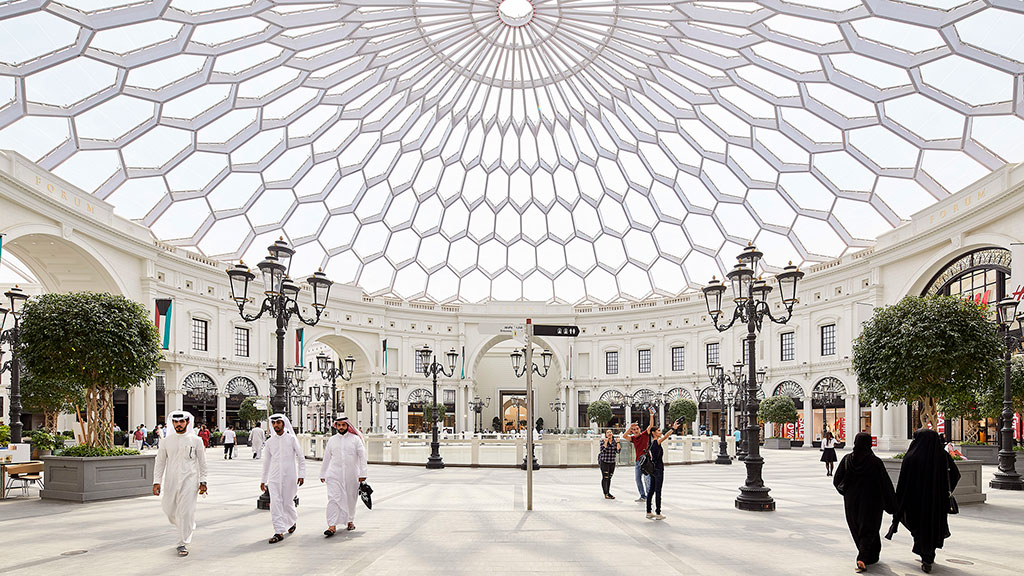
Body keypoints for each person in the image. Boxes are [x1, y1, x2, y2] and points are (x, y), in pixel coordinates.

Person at [886, 429, 960, 574]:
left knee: (919, 528)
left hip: (915, 502)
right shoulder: (942, 456)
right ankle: (928, 555)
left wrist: (899, 501)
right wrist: (943, 490)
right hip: (936, 502)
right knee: (932, 527)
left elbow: (903, 481)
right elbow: (955, 474)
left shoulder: (912, 456)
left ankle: (925, 555)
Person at [834, 432, 896, 572]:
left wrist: (847, 493)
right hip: (872, 502)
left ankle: (870, 555)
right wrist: (892, 503)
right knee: (870, 528)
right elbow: (885, 483)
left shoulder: (847, 459)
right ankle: (862, 556)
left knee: (857, 527)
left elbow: (837, 480)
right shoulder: (875, 462)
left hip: (852, 502)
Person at [153, 411, 208, 557]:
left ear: (187, 422)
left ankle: (182, 542)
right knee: (169, 510)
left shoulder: (196, 440)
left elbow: (202, 463)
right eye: (176, 422)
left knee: (185, 512)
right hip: (171, 481)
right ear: (172, 423)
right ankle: (188, 524)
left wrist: (203, 481)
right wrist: (156, 481)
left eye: (181, 422)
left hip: (190, 481)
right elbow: (160, 462)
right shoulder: (166, 441)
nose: (179, 424)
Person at [320, 416, 368, 537]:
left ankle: (350, 520)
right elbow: (326, 458)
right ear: (336, 426)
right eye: (339, 425)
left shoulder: (355, 440)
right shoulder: (332, 440)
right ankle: (332, 525)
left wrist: (363, 473)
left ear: (347, 426)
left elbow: (362, 457)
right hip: (334, 474)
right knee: (333, 498)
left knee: (350, 498)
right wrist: (323, 473)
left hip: (352, 474)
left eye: (343, 425)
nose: (341, 427)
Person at [262, 413, 305, 544]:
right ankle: (278, 531)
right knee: (275, 504)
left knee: (287, 502)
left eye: (278, 423)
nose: (276, 425)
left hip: (290, 476)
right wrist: (263, 480)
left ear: (283, 423)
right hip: (274, 477)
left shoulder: (291, 439)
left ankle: (291, 521)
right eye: (274, 423)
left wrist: (302, 474)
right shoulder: (269, 442)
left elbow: (301, 458)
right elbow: (266, 462)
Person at [646, 418, 682, 520]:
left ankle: (649, 512)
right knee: (658, 491)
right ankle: (658, 513)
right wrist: (673, 428)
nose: (660, 432)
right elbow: (666, 436)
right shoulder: (656, 442)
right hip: (658, 470)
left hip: (652, 469)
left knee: (651, 491)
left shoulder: (651, 443)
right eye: (658, 431)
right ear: (653, 433)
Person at [622, 408, 655, 502]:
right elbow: (624, 436)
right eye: (634, 430)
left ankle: (649, 496)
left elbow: (651, 425)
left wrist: (651, 415)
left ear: (640, 429)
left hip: (646, 460)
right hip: (638, 461)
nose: (635, 430)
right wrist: (630, 428)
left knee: (647, 479)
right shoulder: (633, 439)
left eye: (637, 429)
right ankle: (642, 495)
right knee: (637, 479)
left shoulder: (645, 434)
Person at [598, 429, 620, 499]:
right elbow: (603, 451)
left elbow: (618, 451)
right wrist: (605, 443)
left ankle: (608, 492)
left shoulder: (614, 442)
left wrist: (618, 442)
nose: (609, 433)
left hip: (612, 462)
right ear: (606, 435)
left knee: (609, 478)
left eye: (610, 432)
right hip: (604, 462)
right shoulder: (603, 441)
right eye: (608, 432)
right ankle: (606, 493)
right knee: (605, 477)